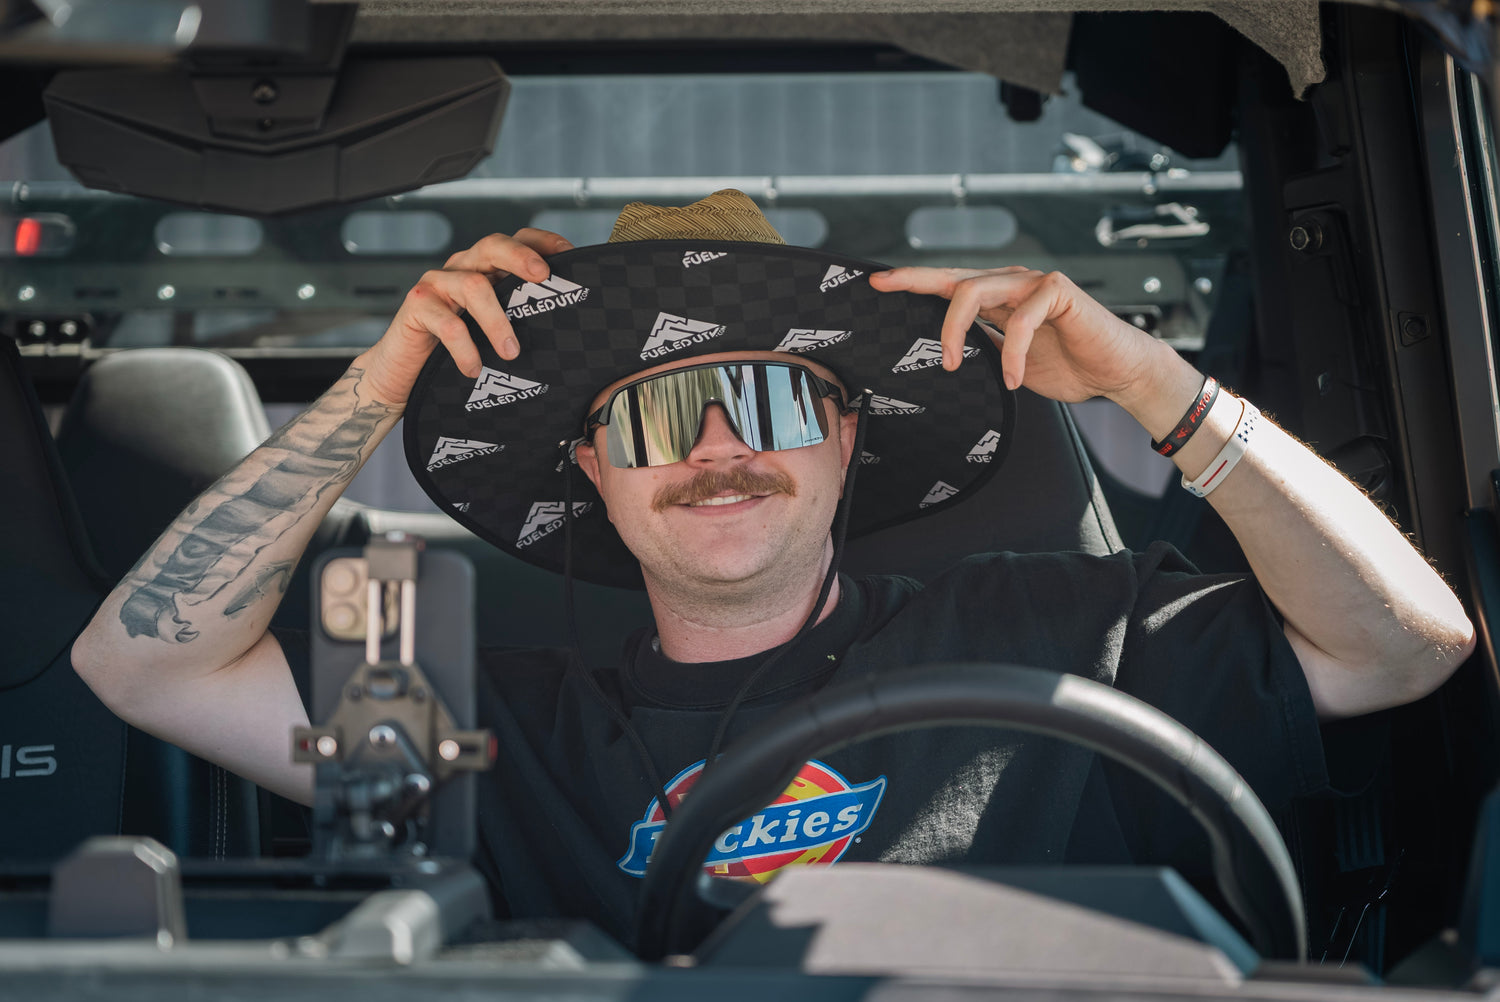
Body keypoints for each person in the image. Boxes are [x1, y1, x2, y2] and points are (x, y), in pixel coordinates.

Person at [72, 191, 1475, 943]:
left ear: (848, 438)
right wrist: (381, 384)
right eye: (658, 417)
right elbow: (141, 667)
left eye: (770, 400)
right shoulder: (484, 728)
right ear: (593, 469)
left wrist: (1159, 387)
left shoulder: (1069, 633)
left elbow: (1408, 645)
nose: (719, 450)